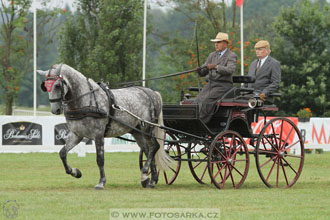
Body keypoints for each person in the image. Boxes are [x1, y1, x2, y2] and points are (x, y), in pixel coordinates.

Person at [194, 32, 238, 124]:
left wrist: (216, 67)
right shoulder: (212, 55)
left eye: (219, 42)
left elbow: (230, 70)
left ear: (225, 44)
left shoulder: (231, 55)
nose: (216, 44)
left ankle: (202, 122)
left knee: (207, 100)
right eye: (215, 42)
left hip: (223, 85)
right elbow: (204, 70)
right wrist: (199, 70)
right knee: (197, 100)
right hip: (211, 84)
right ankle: (193, 119)